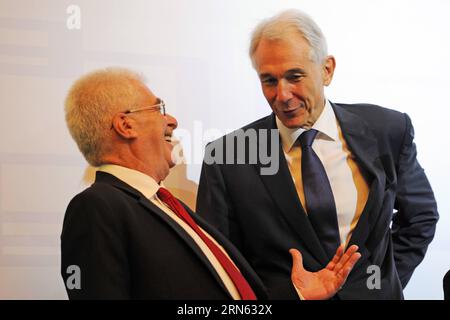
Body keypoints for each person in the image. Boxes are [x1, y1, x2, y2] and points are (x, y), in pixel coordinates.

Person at [196, 9, 439, 299]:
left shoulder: (387, 130)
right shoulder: (227, 157)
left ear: (327, 70)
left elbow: (420, 217)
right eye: (269, 80)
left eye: (294, 76)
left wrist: (380, 281)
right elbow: (218, 267)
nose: (282, 95)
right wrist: (294, 293)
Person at [60, 67, 361, 299]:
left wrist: (297, 293)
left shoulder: (167, 206)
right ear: (125, 125)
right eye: (158, 109)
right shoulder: (96, 207)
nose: (172, 120)